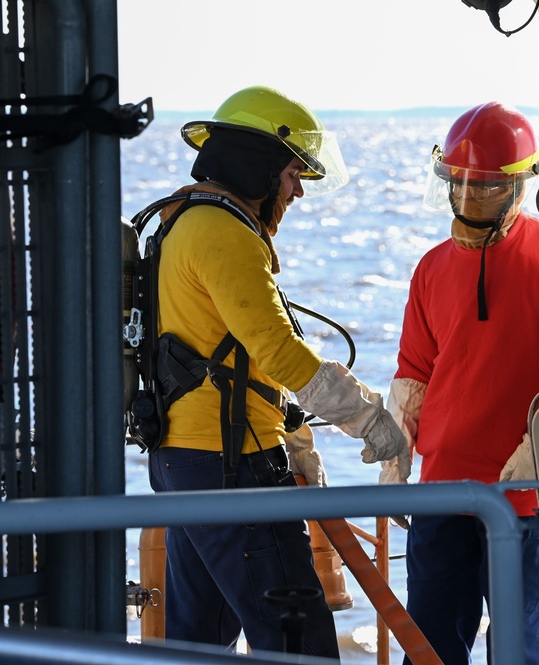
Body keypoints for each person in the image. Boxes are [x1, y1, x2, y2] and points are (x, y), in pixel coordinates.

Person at [147, 85, 411, 659]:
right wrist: (367, 419)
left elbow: (229, 354)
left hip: (183, 461)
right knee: (299, 638)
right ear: (258, 163)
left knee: (199, 640)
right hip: (230, 466)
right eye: (293, 174)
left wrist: (290, 429)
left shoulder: (183, 221)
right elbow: (276, 348)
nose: (296, 192)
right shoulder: (223, 233)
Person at [380, 102, 539, 665]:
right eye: (461, 185)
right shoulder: (430, 267)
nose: (470, 198)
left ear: (519, 186)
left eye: (484, 188)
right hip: (442, 489)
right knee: (429, 644)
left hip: (521, 494)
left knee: (518, 646)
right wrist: (395, 457)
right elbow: (414, 373)